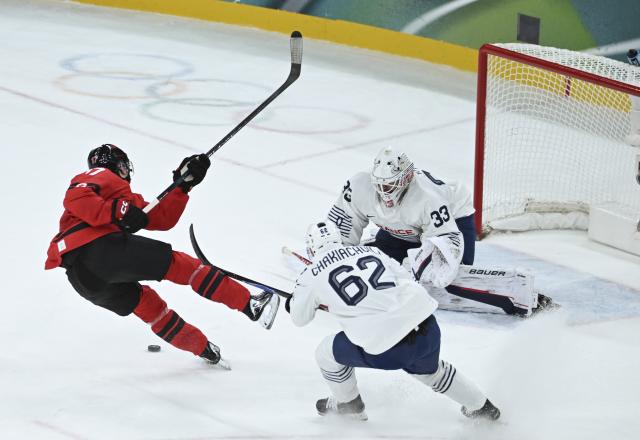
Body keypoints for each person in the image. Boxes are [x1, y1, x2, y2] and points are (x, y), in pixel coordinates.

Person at [45, 144, 279, 367]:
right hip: (96, 250)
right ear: (117, 165)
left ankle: (204, 349)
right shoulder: (100, 175)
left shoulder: (123, 198)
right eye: (124, 167)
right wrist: (119, 211)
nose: (126, 173)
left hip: (83, 280)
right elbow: (75, 197)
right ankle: (249, 304)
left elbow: (161, 218)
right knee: (182, 266)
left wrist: (182, 185)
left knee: (149, 306)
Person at [286, 221, 500, 421]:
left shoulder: (311, 274)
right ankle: (482, 407)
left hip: (387, 349)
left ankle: (349, 407)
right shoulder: (371, 250)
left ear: (312, 248)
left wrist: (295, 302)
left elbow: (299, 318)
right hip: (427, 327)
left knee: (325, 353)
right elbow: (405, 279)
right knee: (432, 372)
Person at [327, 146, 553, 316]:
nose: (384, 192)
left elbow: (448, 242)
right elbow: (342, 225)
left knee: (451, 280)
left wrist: (425, 267)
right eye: (380, 185)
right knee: (379, 267)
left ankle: (521, 296)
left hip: (453, 221)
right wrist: (335, 258)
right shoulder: (359, 185)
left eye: (390, 185)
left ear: (406, 178)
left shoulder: (427, 198)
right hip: (400, 230)